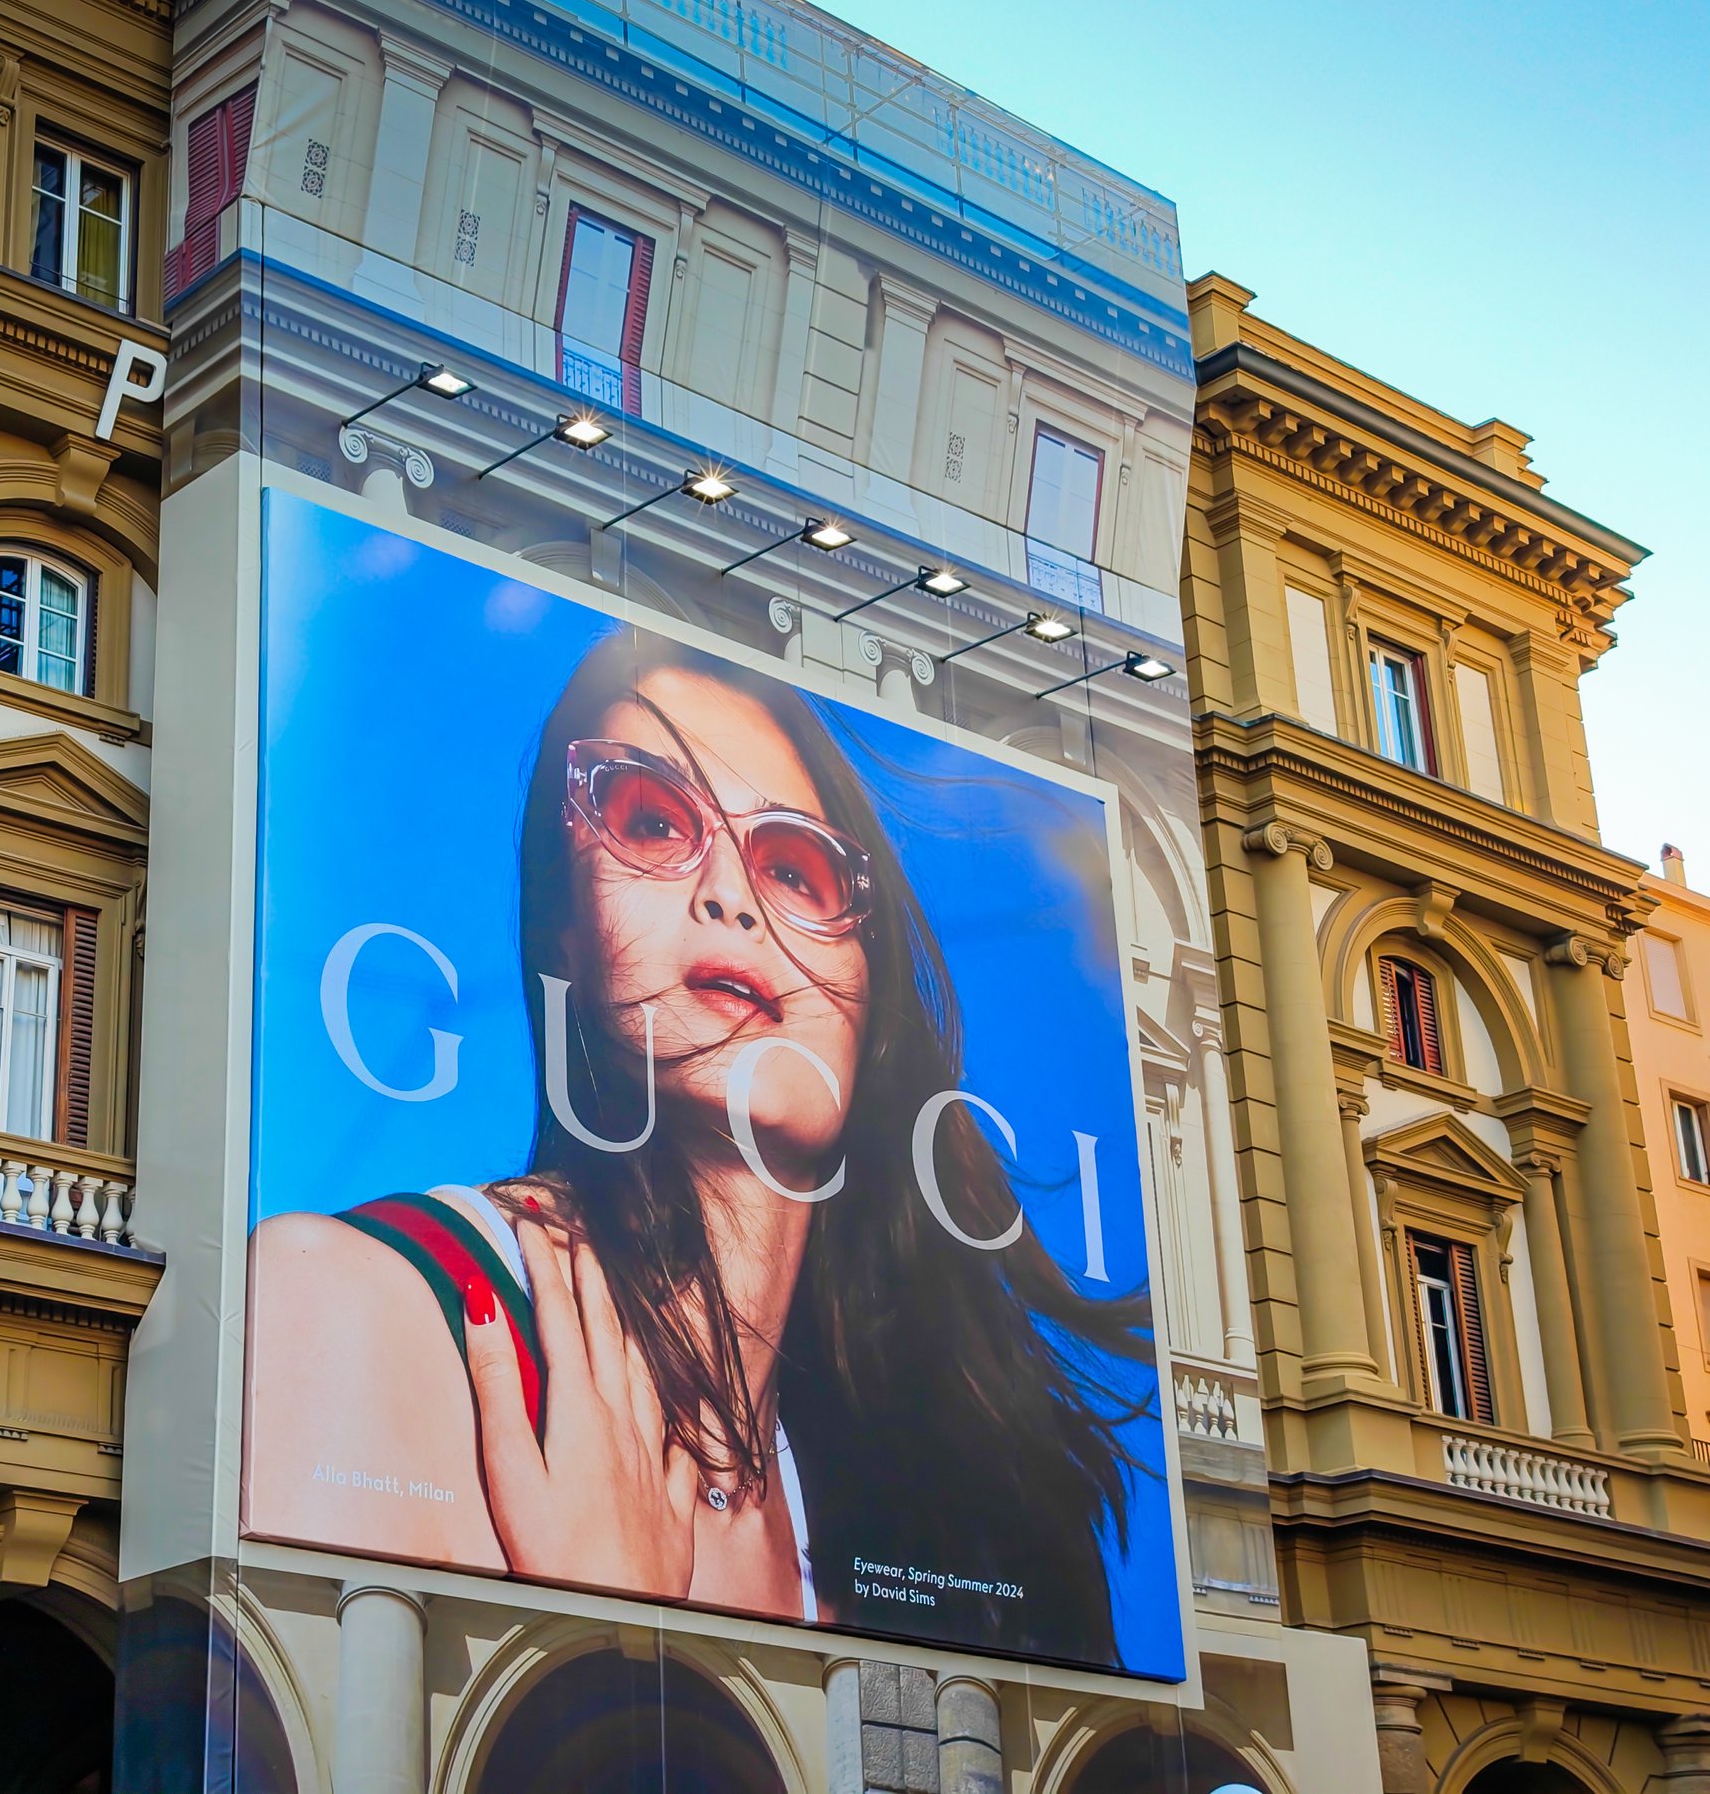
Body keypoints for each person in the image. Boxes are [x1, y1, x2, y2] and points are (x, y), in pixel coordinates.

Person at [248, 627, 1154, 1662]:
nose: (730, 894)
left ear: (871, 994)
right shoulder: (347, 1306)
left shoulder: (921, 1509)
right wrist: (609, 1643)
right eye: (651, 820)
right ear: (565, 930)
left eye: (797, 871)